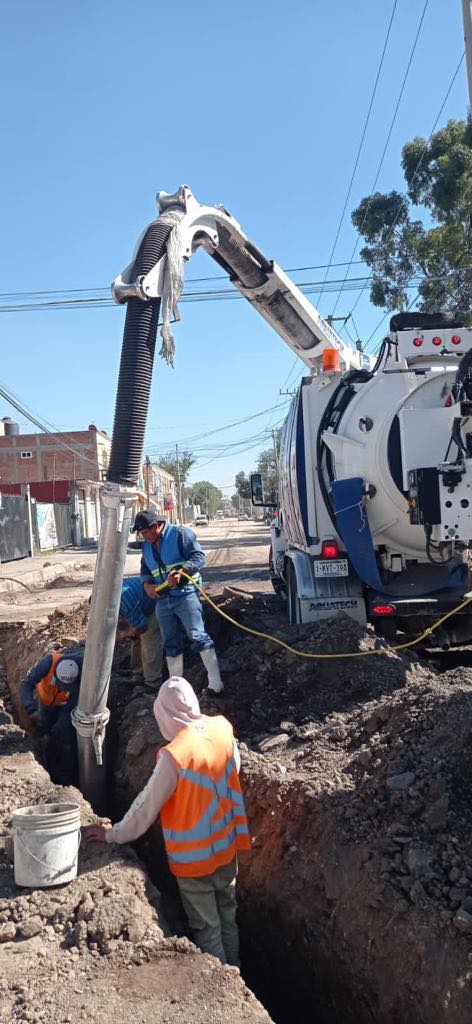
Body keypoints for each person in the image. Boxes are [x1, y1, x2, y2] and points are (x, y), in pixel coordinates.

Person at [86, 676, 250, 966]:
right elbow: (232, 767)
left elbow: (145, 808)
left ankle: (225, 981)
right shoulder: (222, 728)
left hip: (194, 862)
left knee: (207, 926)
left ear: (164, 714)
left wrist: (113, 835)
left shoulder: (175, 756)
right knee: (228, 913)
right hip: (227, 847)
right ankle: (236, 968)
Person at [133, 510, 224, 694]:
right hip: (162, 600)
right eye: (141, 534)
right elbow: (145, 569)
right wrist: (146, 585)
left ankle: (216, 683)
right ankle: (177, 688)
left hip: (185, 595)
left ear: (156, 526)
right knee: (170, 642)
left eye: (145, 533)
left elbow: (198, 557)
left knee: (198, 636)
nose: (144, 537)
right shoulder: (147, 546)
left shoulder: (181, 534)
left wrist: (183, 571)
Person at [19, 652, 82, 785]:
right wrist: (31, 710)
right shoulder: (48, 663)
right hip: (46, 704)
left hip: (68, 706)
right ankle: (49, 763)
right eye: (61, 685)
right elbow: (25, 684)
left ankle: (67, 779)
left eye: (66, 687)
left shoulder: (82, 669)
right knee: (48, 735)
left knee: (63, 735)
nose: (63, 689)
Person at [117, 576, 162, 689]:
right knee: (135, 640)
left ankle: (153, 681)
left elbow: (142, 627)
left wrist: (126, 634)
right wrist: (127, 633)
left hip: (153, 604)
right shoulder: (106, 598)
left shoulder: (124, 603)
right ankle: (138, 673)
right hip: (138, 600)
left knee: (149, 641)